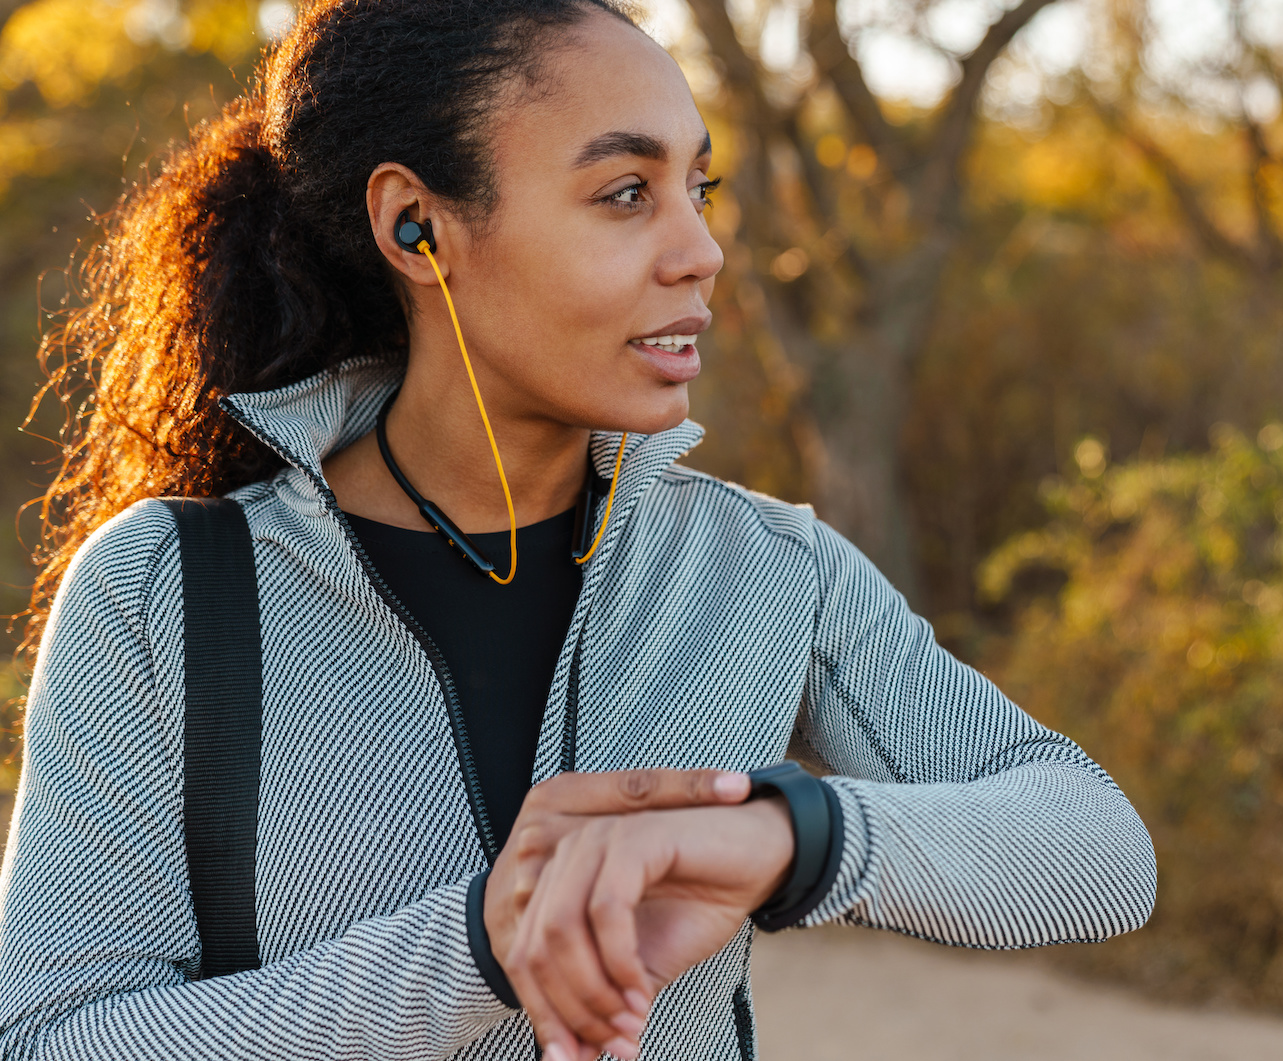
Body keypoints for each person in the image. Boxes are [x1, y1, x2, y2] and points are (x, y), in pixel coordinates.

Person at [0, 1, 1157, 1058]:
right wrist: (474, 950)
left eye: (699, 188)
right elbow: (54, 1036)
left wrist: (791, 834)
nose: (700, 251)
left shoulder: (762, 568)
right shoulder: (164, 587)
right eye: (624, 194)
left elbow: (1099, 850)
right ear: (417, 230)